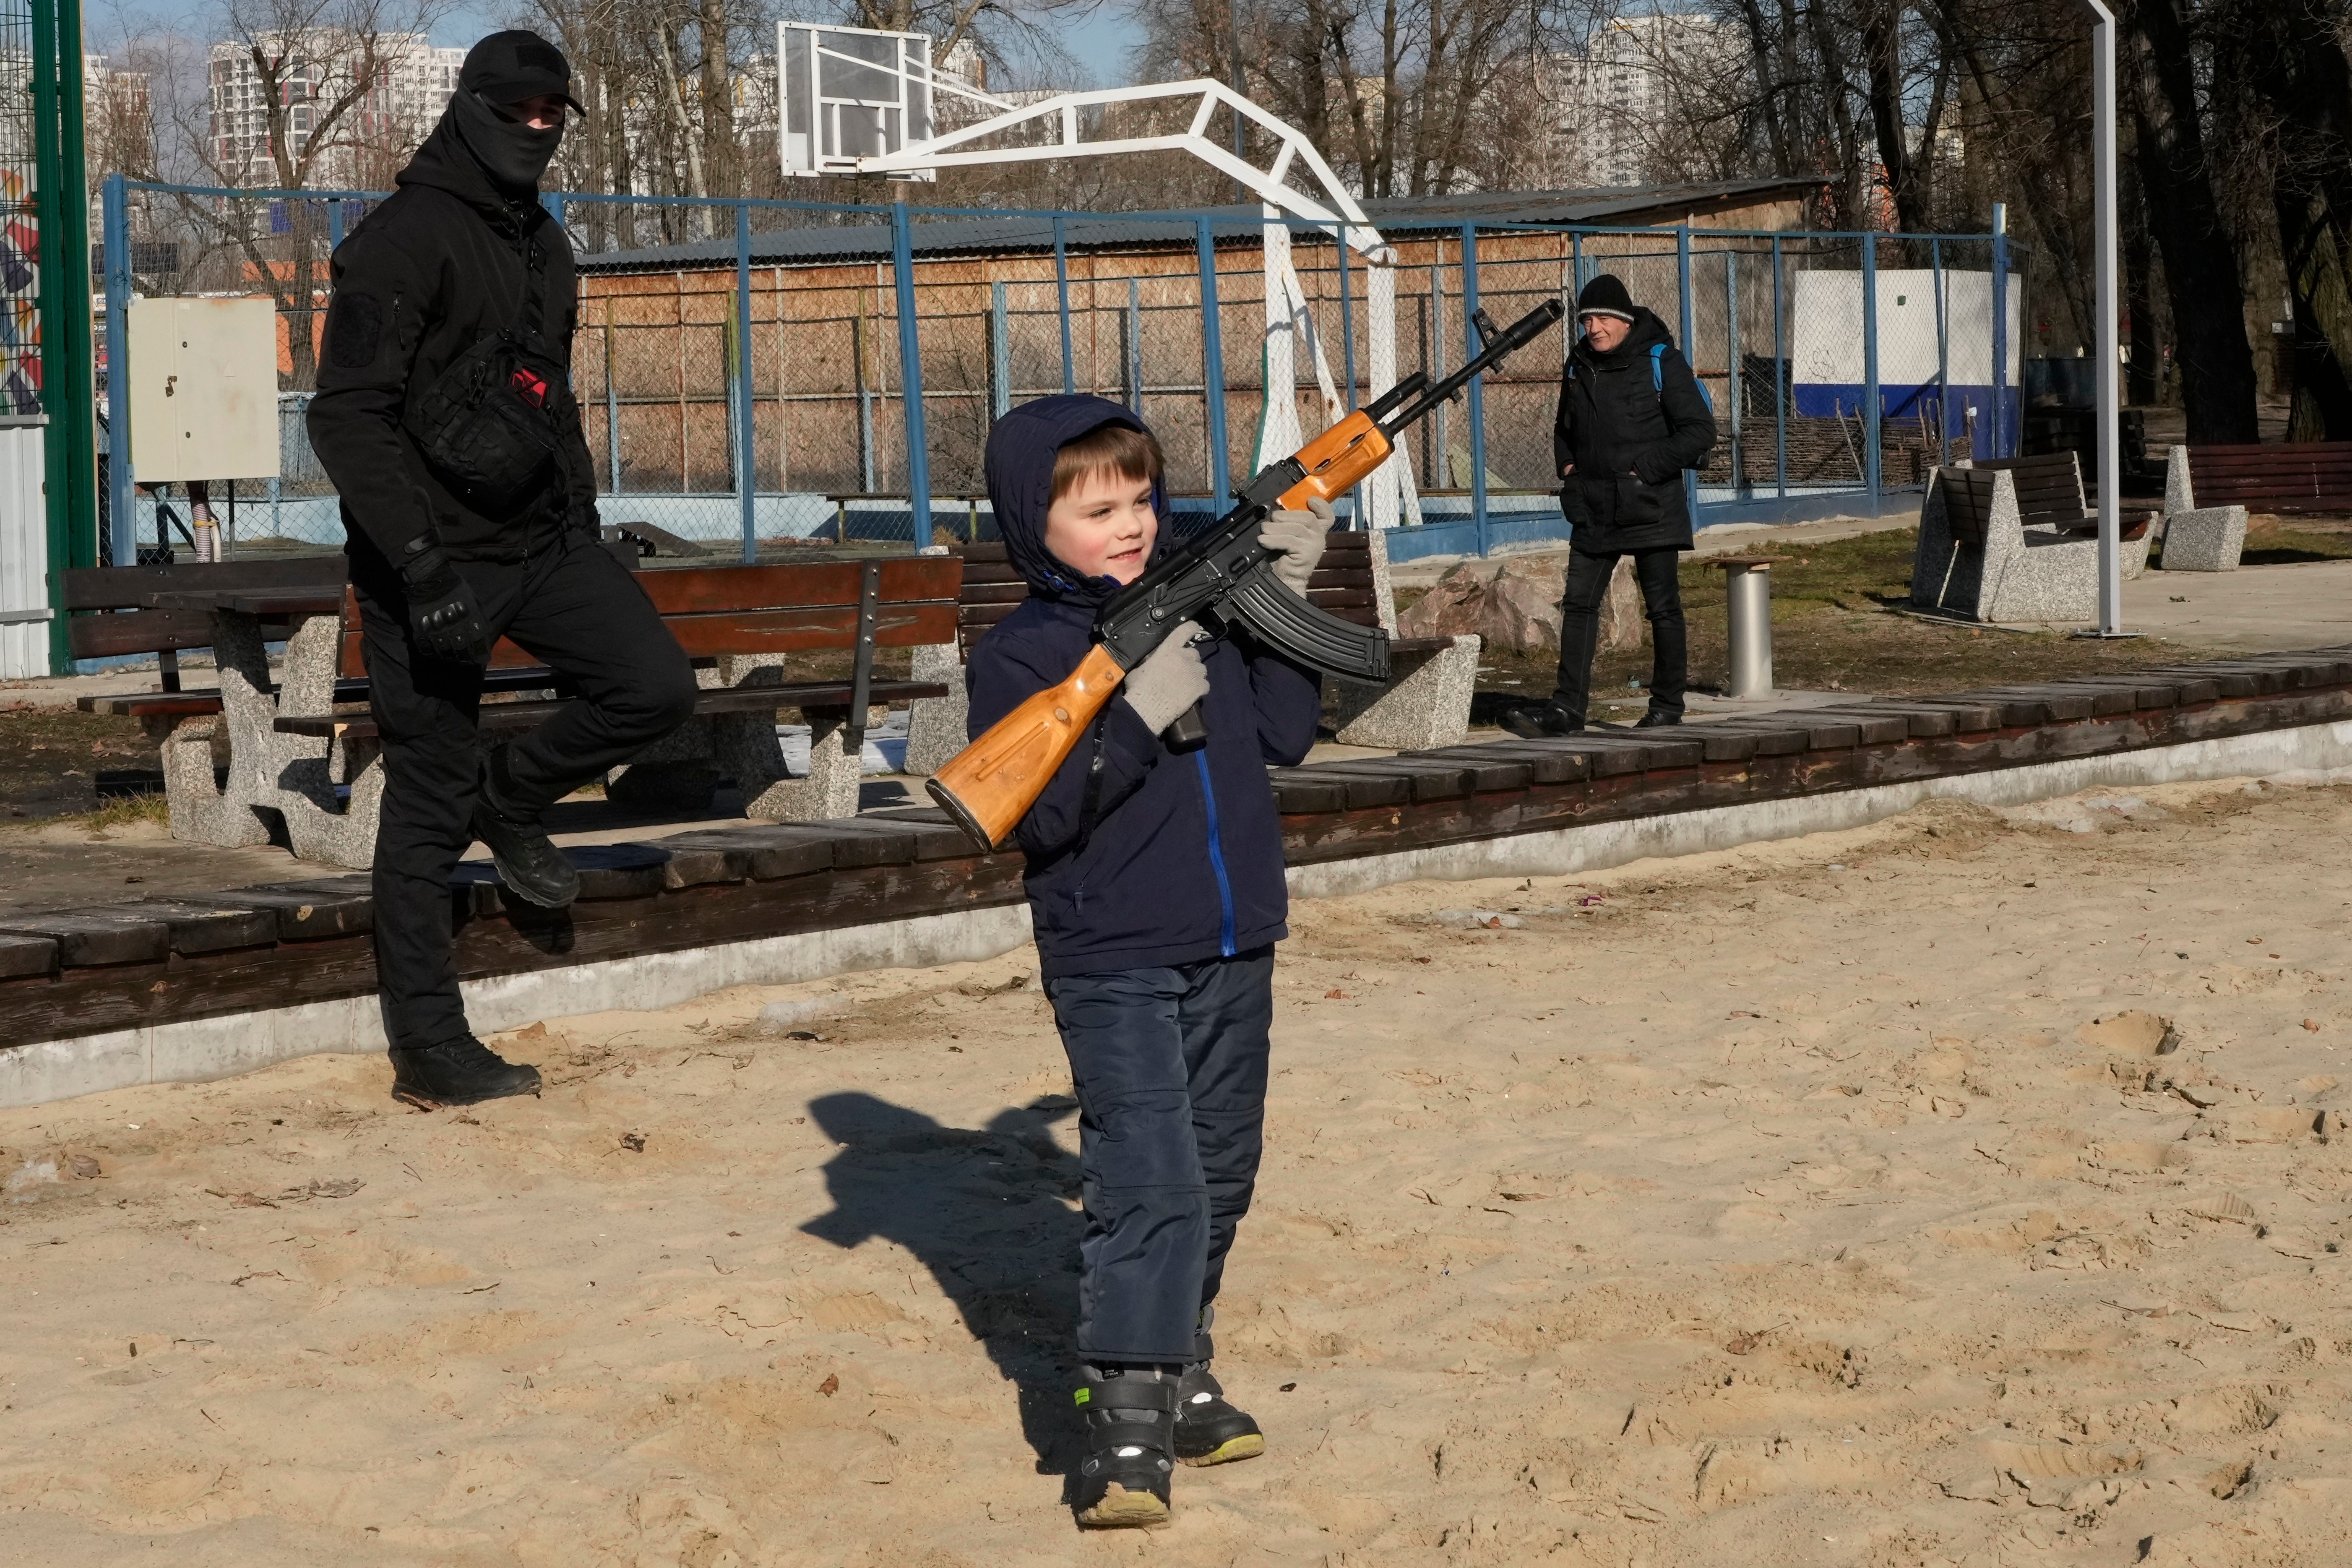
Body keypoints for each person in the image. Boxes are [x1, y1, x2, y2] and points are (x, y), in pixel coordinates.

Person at [307, 31, 696, 1109]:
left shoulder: (548, 246)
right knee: (425, 796)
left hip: (543, 543)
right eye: (517, 111)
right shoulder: (400, 240)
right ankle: (429, 1047)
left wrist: (586, 525)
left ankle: (513, 794)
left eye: (551, 117)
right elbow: (345, 419)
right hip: (429, 565)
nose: (535, 131)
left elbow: (551, 403)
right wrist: (420, 565)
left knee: (654, 688)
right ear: (473, 108)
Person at [963, 393, 1327, 1528]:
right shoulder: (1019, 655)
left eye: (1139, 499)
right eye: (1095, 509)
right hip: (1111, 951)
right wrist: (1129, 709)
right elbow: (1044, 818)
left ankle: (1179, 1367)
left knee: (1218, 1174)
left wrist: (1278, 608)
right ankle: (1122, 1423)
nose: (1128, 525)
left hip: (1233, 939)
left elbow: (1283, 734)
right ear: (1035, 525)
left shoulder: (1204, 614)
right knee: (1148, 1183)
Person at [1505, 272, 1716, 736]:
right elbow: (1564, 430)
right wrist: (1569, 472)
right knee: (1579, 605)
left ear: (1624, 320)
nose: (1593, 328)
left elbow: (1700, 432)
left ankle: (1666, 708)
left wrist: (1646, 469)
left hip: (1651, 505)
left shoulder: (1662, 360)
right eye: (1586, 320)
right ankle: (1567, 710)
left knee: (1662, 607)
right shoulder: (1578, 364)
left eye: (1602, 318)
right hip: (1594, 506)